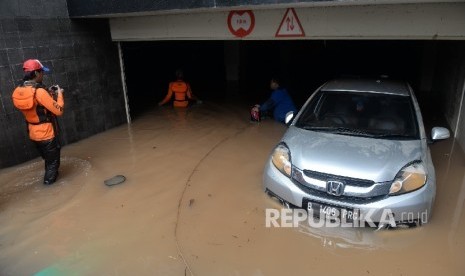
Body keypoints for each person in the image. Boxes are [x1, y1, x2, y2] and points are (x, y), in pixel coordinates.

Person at [11, 59, 64, 185]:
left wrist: (49, 93)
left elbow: (36, 106)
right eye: (41, 72)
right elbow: (59, 110)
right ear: (35, 73)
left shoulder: (18, 90)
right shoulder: (39, 92)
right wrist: (60, 95)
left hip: (33, 134)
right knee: (53, 164)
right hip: (47, 134)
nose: (43, 74)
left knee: (48, 159)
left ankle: (50, 176)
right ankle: (49, 188)